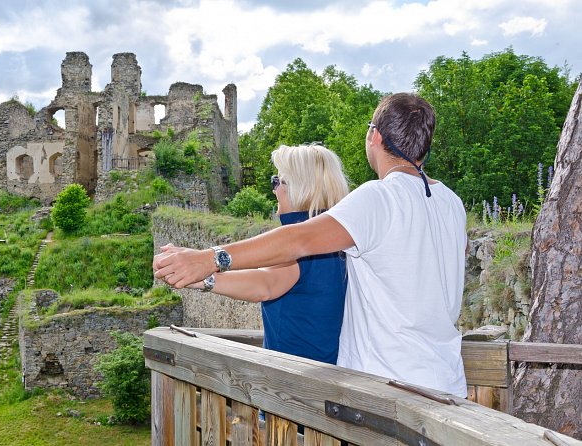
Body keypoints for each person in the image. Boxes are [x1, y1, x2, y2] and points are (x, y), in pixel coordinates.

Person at [154, 93, 468, 397]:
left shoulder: (379, 196)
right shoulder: (451, 203)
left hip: (391, 390)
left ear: (375, 136)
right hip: (446, 384)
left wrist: (210, 259)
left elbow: (298, 241)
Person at [163, 144, 350, 364]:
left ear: (298, 188)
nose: (274, 190)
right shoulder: (339, 238)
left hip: (295, 382)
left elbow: (265, 283)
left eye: (278, 181)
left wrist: (203, 274)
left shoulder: (300, 243)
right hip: (330, 374)